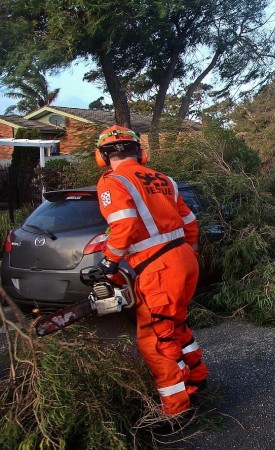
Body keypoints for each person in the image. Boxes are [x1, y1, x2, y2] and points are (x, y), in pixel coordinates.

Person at [94, 125, 208, 416]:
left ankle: (175, 408)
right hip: (184, 257)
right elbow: (191, 221)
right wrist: (186, 254)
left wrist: (108, 263)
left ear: (102, 156)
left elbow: (125, 224)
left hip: (158, 267)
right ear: (141, 152)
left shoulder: (112, 181)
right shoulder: (164, 179)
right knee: (176, 323)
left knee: (155, 339)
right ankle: (196, 377)